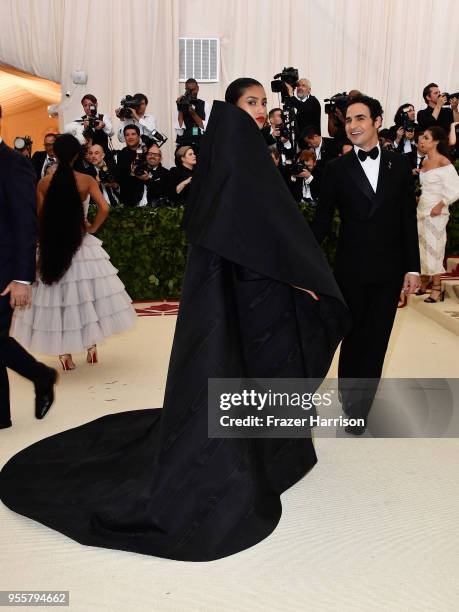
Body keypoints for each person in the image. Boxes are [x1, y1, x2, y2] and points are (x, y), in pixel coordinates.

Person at [0, 79, 349, 562]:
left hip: (260, 297)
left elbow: (266, 233)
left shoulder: (244, 165)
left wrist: (294, 279)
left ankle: (272, 448)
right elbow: (239, 237)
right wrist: (293, 279)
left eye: (263, 103)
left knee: (264, 370)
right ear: (229, 109)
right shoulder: (230, 169)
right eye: (252, 102)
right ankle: (244, 455)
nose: (261, 110)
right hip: (245, 299)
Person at [311, 95, 421, 434]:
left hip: (388, 272)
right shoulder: (336, 169)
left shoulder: (399, 165)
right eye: (348, 120)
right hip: (350, 269)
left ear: (376, 121)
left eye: (360, 118)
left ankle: (361, 408)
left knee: (376, 341)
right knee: (353, 337)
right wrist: (301, 264)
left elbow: (407, 220)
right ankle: (350, 399)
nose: (353, 125)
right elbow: (323, 223)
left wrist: (412, 268)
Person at [11, 134, 137, 371]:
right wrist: (93, 227)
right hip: (81, 243)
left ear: (55, 153)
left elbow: (40, 218)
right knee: (87, 296)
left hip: (52, 246)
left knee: (58, 299)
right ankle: (91, 347)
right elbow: (104, 207)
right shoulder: (87, 180)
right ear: (77, 154)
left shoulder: (44, 183)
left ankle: (64, 353)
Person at [0, 105, 58, 429]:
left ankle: (42, 375)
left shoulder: (15, 165)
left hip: (5, 270)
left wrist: (23, 277)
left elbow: (25, 223)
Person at [416, 126, 459, 302]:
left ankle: (437, 287)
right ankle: (424, 282)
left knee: (435, 249)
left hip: (437, 213)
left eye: (426, 138)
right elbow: (426, 187)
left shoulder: (444, 162)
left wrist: (441, 205)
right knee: (422, 249)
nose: (422, 140)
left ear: (435, 141)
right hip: (422, 211)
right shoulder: (425, 161)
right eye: (422, 138)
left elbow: (456, 189)